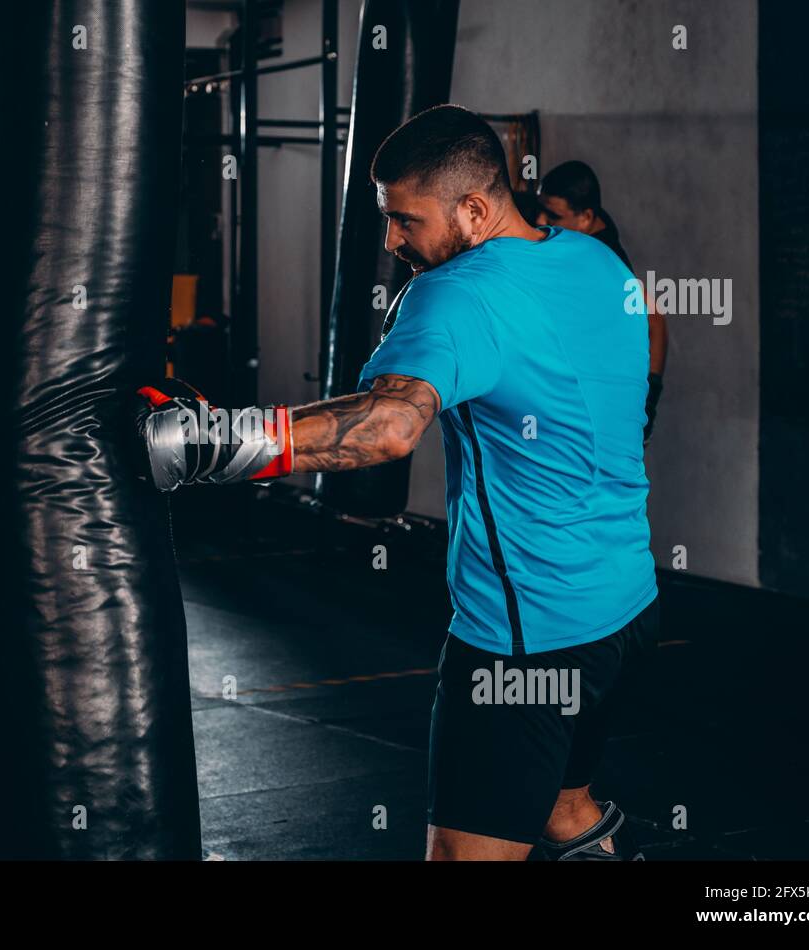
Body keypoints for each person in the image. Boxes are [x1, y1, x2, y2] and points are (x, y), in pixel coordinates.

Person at [135, 105, 658, 861]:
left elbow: (388, 426)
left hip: (526, 643)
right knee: (563, 807)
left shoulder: (455, 294)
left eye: (405, 221)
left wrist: (211, 443)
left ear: (473, 210)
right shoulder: (595, 262)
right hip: (626, 613)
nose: (391, 241)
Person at [537, 160, 667, 443]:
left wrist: (647, 404)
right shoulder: (587, 233)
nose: (540, 221)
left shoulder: (603, 264)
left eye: (553, 216)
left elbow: (654, 320)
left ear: (585, 217)